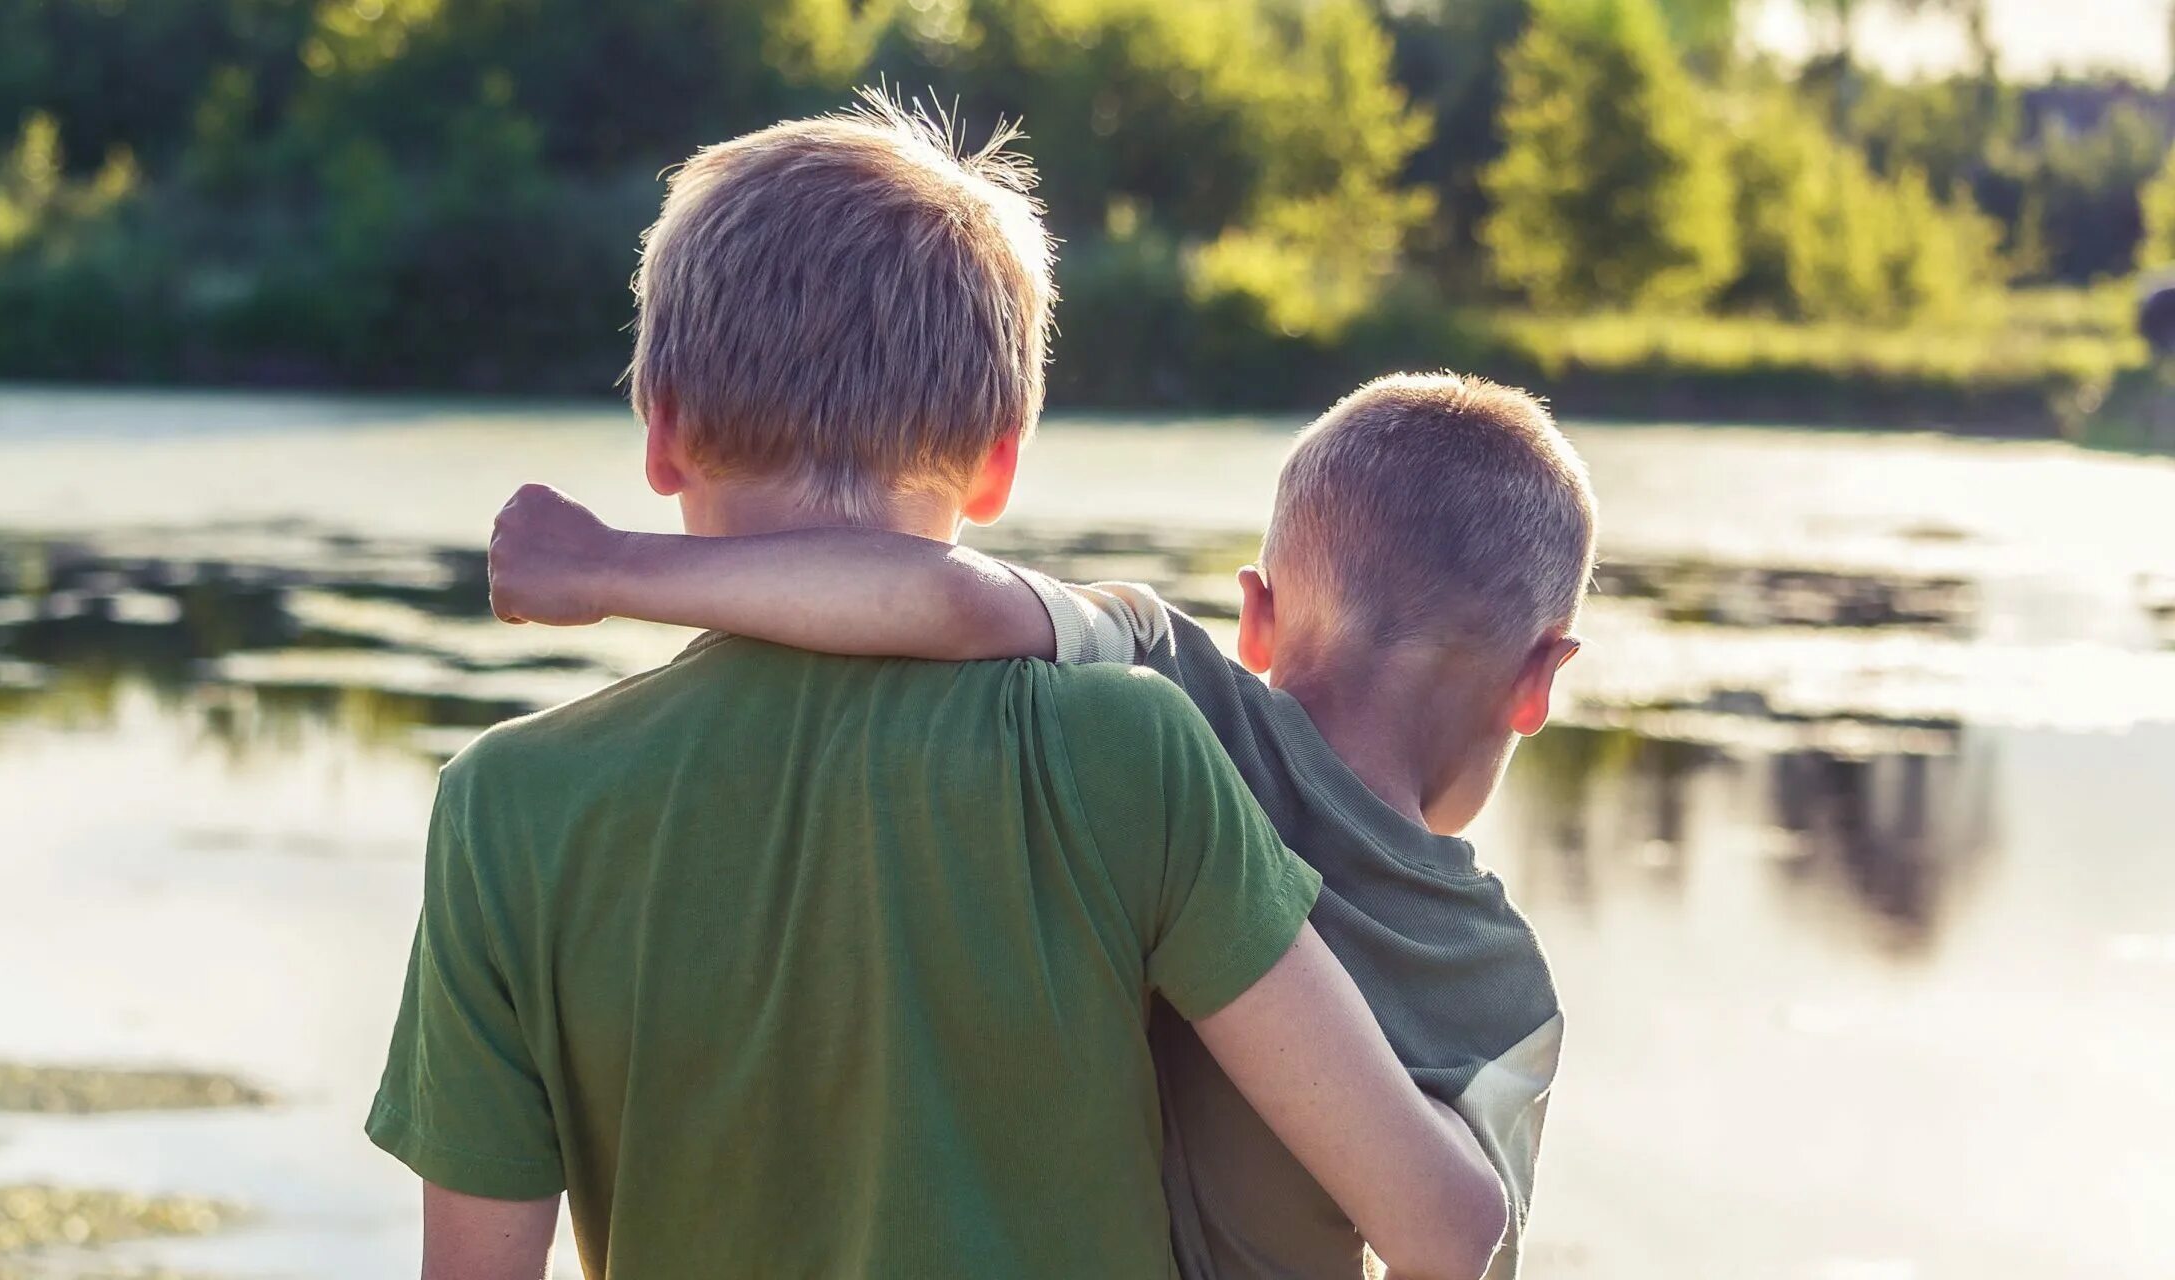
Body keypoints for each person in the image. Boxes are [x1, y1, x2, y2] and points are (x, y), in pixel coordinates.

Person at [368, 97, 1505, 1280]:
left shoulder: (507, 806)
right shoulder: (1129, 750)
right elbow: (1445, 1230)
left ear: (661, 432)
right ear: (1003, 456)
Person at [487, 372, 1590, 1280]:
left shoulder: (1174, 683)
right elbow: (1461, 1250)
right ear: (1538, 678)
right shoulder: (1501, 987)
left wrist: (611, 567)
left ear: (1257, 615)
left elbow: (949, 598)